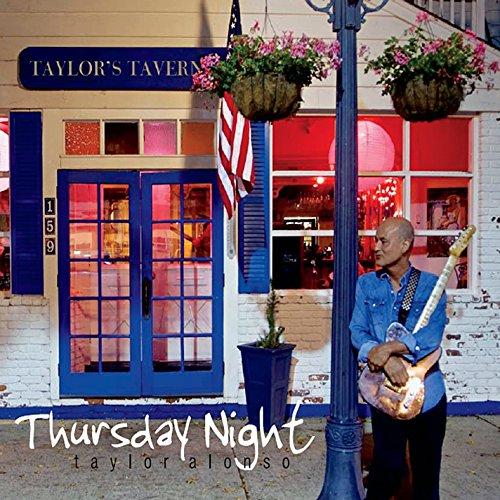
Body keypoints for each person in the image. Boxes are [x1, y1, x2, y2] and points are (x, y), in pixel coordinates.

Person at [350, 217, 448, 500]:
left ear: (405, 245)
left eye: (383, 241)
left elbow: (431, 337)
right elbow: (357, 329)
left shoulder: (430, 285)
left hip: (428, 394)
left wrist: (388, 348)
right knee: (386, 470)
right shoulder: (367, 284)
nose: (375, 247)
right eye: (375, 240)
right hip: (386, 394)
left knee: (426, 479)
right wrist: (385, 358)